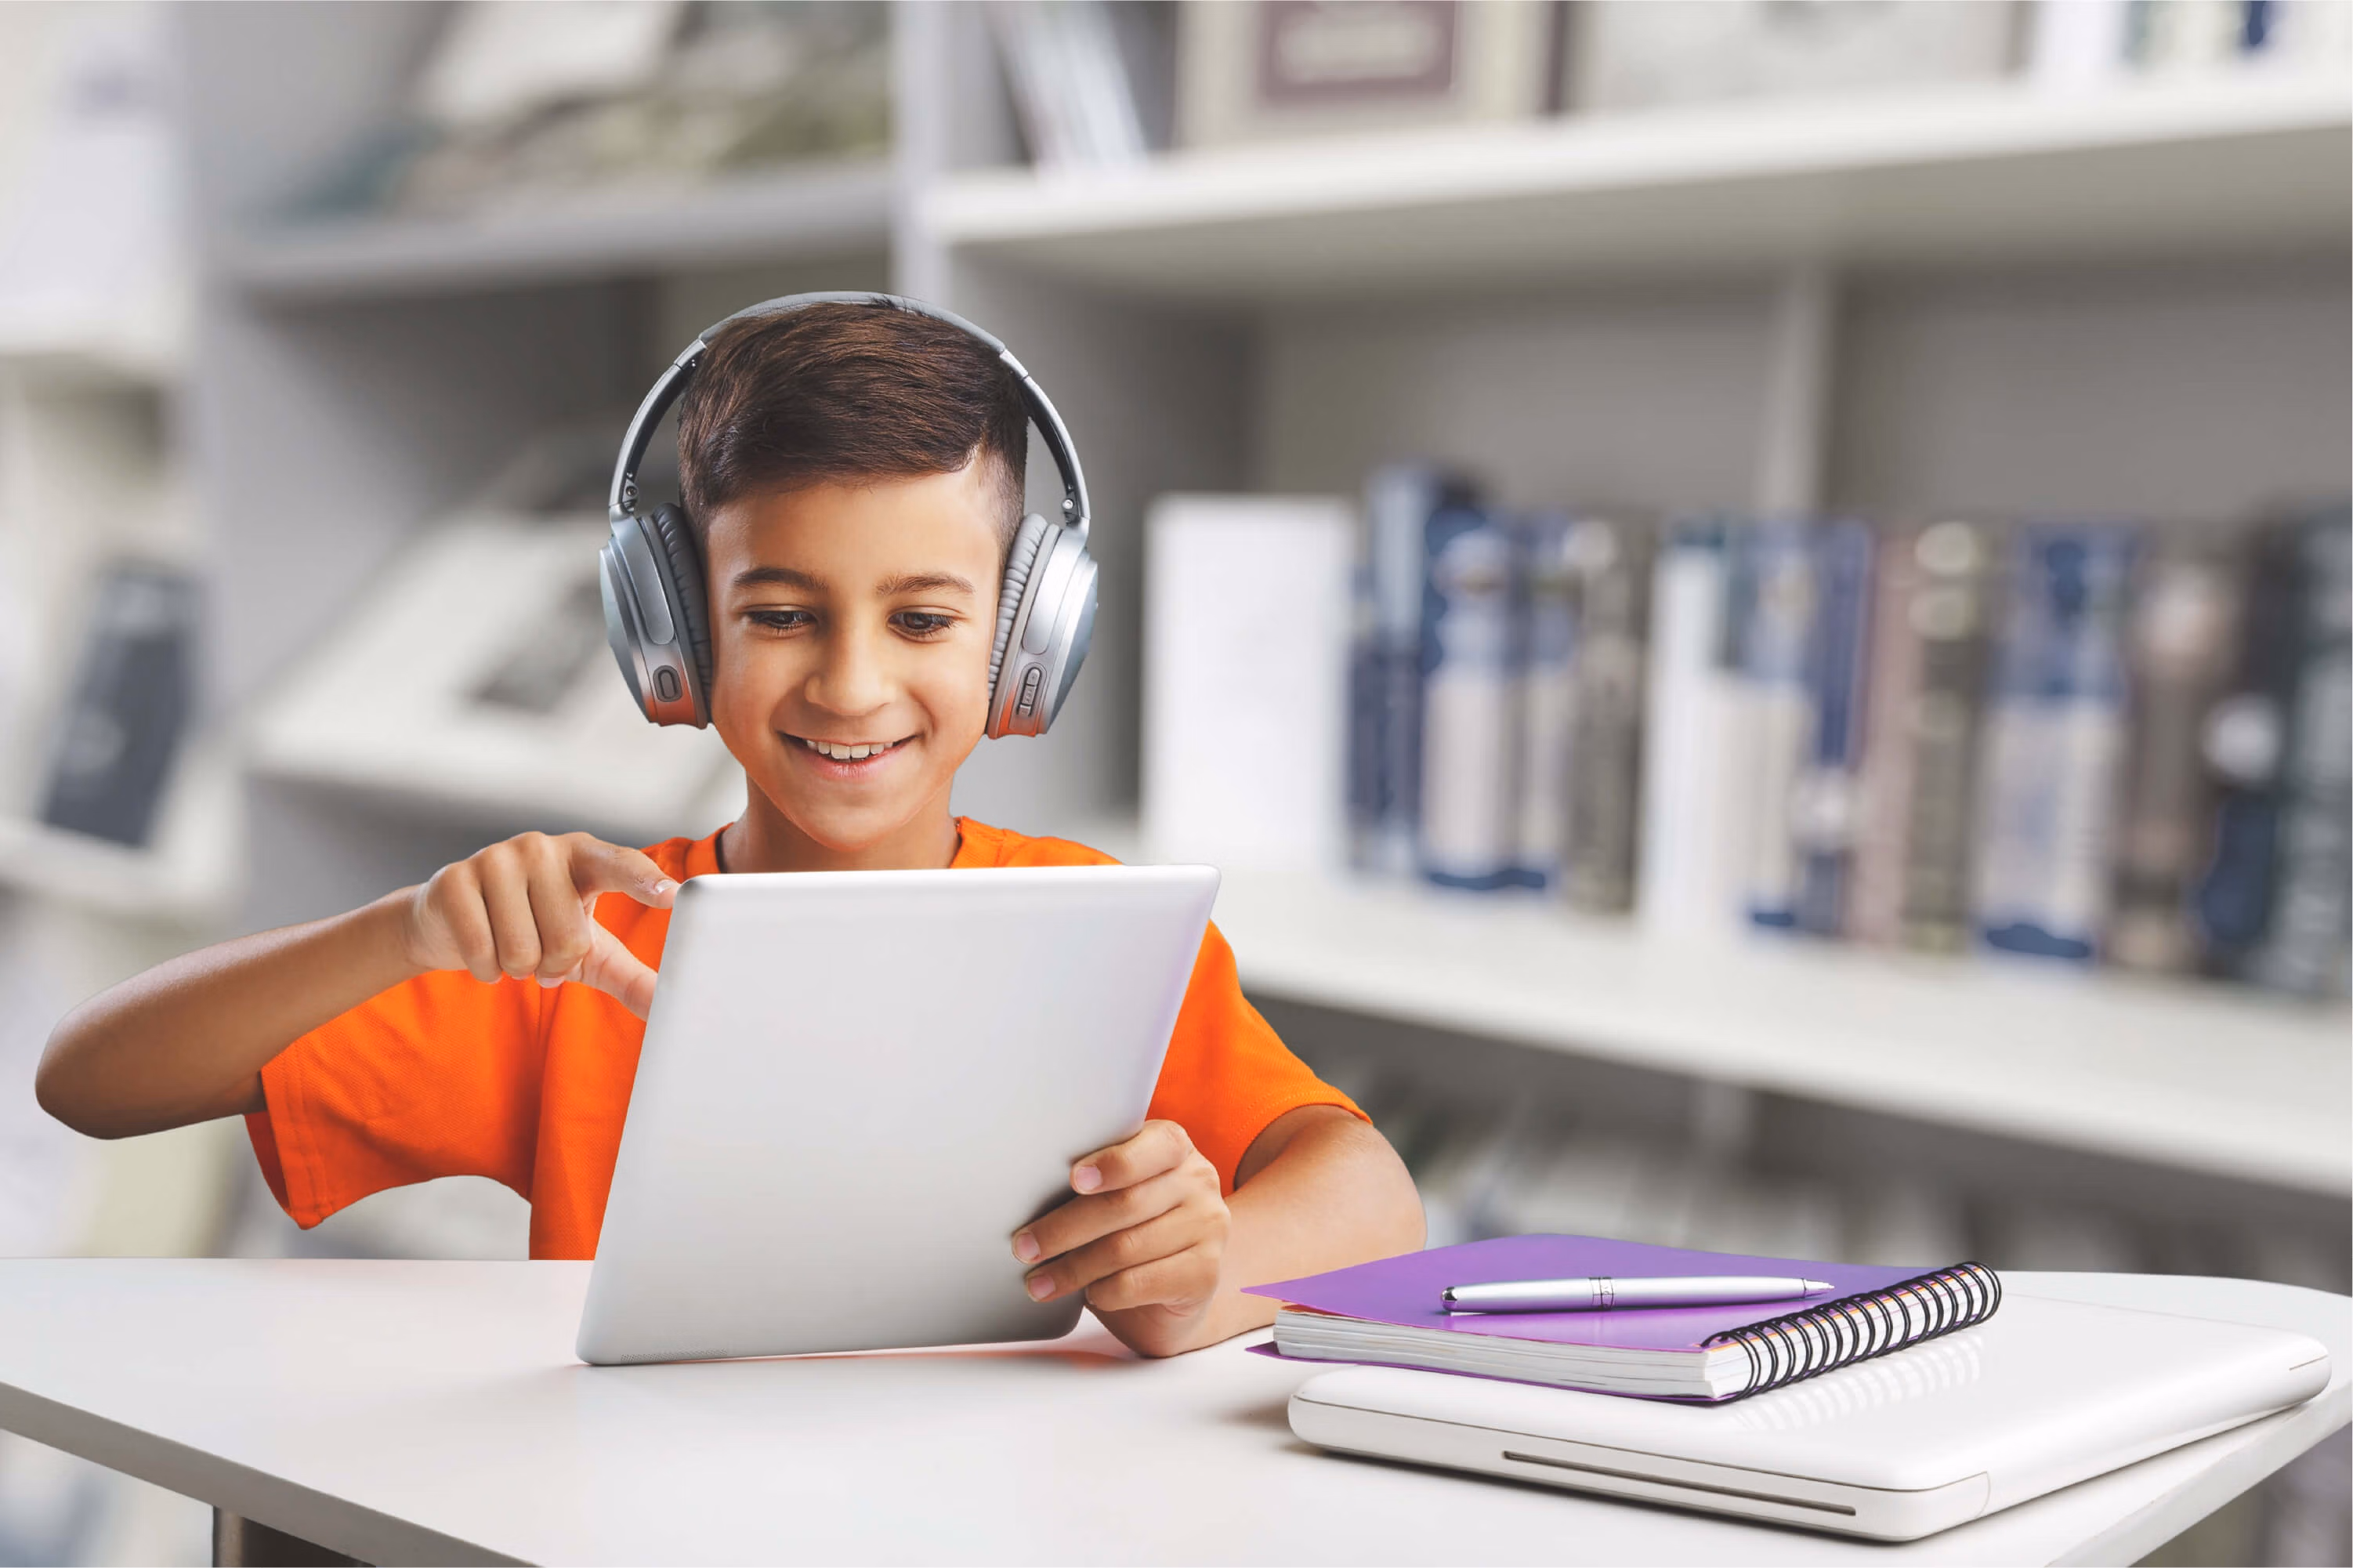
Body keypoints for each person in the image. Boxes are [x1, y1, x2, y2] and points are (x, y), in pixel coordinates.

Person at [35, 298, 1424, 1359]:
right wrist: (398, 935)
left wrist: (1192, 1282)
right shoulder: (580, 954)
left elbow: (1369, 1196)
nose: (851, 684)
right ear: (679, 632)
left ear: (1022, 642)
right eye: (780, 613)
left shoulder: (1099, 930)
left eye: (925, 619)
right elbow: (93, 1083)